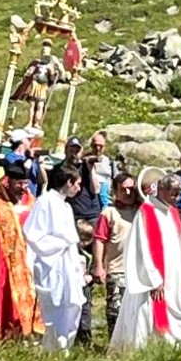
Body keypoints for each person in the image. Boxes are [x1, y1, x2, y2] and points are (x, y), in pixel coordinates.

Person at [109, 172, 181, 351]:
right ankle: (144, 354)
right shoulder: (146, 212)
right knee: (146, 317)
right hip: (152, 282)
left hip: (173, 280)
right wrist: (153, 279)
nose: (177, 198)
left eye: (179, 193)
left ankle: (175, 350)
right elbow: (141, 248)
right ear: (161, 189)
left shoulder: (173, 213)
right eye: (174, 193)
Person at [0, 163, 43, 343]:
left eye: (26, 184)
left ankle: (30, 333)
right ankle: (6, 331)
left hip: (30, 262)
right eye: (19, 184)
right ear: (8, 182)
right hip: (5, 264)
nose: (23, 189)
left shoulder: (31, 202)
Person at [23, 165, 87, 353]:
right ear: (68, 182)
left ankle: (64, 346)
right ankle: (55, 349)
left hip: (68, 264)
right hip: (53, 265)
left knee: (71, 305)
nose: (79, 189)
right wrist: (61, 242)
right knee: (55, 307)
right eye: (77, 184)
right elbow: (33, 235)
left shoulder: (65, 205)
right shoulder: (45, 202)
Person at [55, 136, 101, 344]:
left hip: (91, 217)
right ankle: (72, 329)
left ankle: (85, 329)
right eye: (72, 148)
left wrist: (90, 169)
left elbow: (96, 190)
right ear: (66, 149)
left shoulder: (86, 167)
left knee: (89, 266)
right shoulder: (60, 169)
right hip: (71, 218)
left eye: (78, 149)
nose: (75, 152)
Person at [92, 172, 139, 337]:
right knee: (116, 310)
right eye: (123, 189)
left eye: (131, 189)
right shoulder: (108, 213)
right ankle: (114, 345)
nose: (128, 193)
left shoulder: (142, 211)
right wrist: (99, 266)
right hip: (117, 269)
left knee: (136, 312)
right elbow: (99, 240)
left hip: (138, 271)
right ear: (116, 191)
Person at [88, 132, 115, 208]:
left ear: (105, 147)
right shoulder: (86, 160)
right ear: (91, 146)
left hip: (106, 198)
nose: (98, 148)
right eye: (95, 146)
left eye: (101, 146)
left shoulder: (109, 162)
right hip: (91, 198)